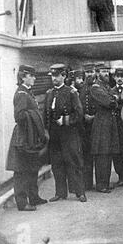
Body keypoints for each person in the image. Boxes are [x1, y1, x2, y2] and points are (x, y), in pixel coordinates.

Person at [6, 65, 48, 211]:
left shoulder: (27, 92)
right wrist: (34, 115)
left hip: (29, 135)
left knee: (32, 167)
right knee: (22, 170)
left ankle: (34, 197)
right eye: (31, 76)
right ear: (23, 77)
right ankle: (22, 203)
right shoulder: (21, 94)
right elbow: (19, 116)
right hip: (23, 137)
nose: (34, 78)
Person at [44, 64, 87, 202]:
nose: (54, 79)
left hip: (69, 133)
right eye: (53, 76)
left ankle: (80, 192)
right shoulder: (49, 93)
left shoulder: (71, 92)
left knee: (74, 162)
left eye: (57, 76)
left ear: (63, 76)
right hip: (54, 135)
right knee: (57, 164)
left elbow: (79, 113)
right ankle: (60, 193)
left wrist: (65, 120)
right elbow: (46, 114)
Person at [90, 63, 120, 193]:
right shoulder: (96, 88)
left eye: (107, 71)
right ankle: (101, 185)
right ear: (97, 73)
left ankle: (105, 183)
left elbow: (112, 100)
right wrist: (114, 98)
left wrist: (113, 99)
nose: (106, 73)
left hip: (108, 124)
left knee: (107, 154)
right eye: (103, 71)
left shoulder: (105, 87)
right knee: (102, 154)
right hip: (101, 125)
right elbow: (110, 102)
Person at [79, 63, 97, 191]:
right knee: (87, 155)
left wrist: (94, 116)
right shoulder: (82, 88)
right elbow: (79, 105)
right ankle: (88, 183)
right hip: (85, 127)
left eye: (91, 72)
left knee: (99, 155)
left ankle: (101, 182)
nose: (89, 74)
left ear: (95, 72)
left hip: (98, 125)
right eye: (87, 72)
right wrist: (84, 115)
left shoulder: (99, 86)